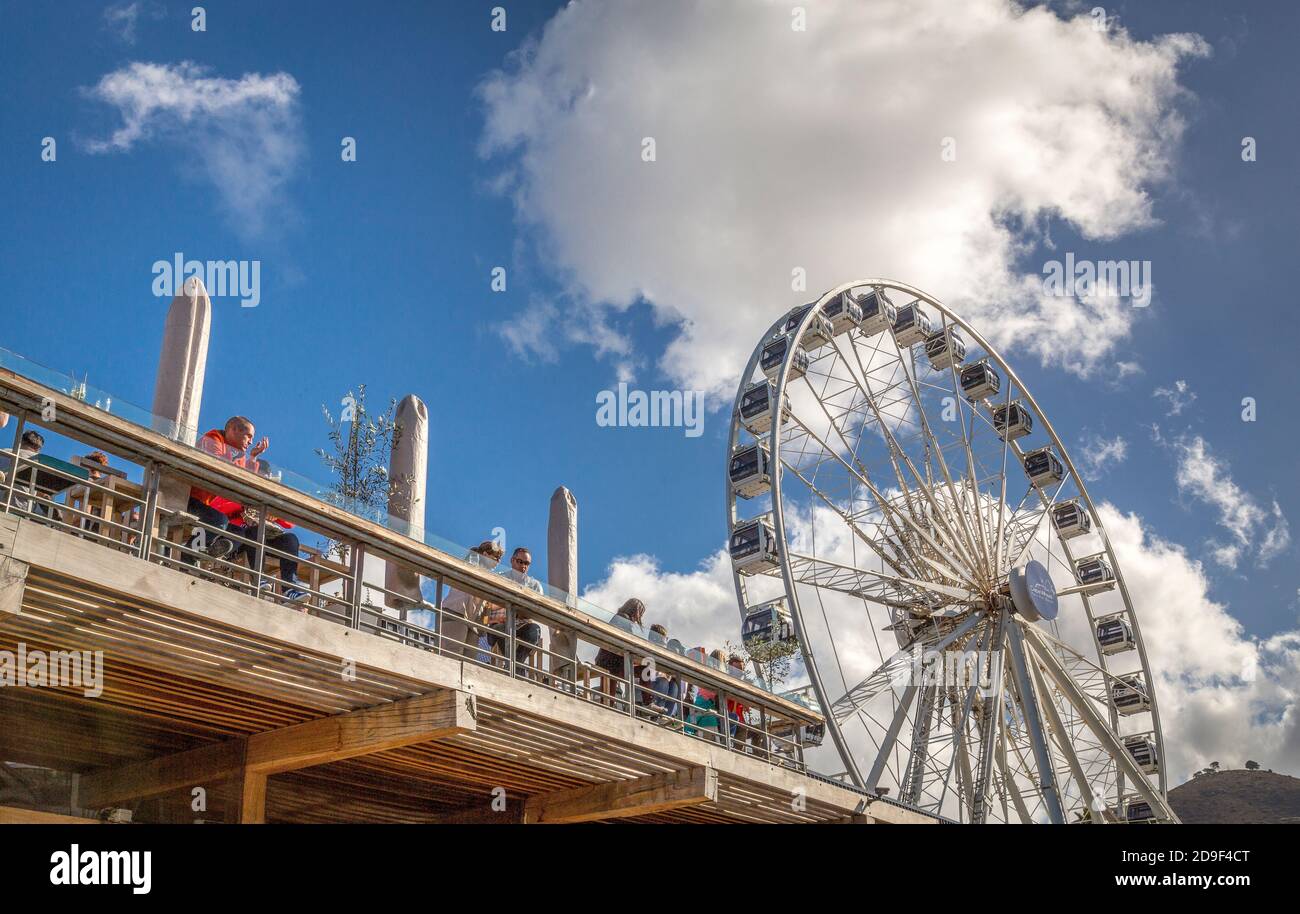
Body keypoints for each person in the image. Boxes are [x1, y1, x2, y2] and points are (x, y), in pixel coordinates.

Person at [439, 540, 505, 658]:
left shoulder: (488, 577)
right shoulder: (472, 562)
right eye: (496, 557)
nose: (498, 561)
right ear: (485, 554)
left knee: (469, 661)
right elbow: (470, 568)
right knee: (452, 655)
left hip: (473, 621)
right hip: (457, 612)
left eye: (500, 559)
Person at [482, 547, 545, 670]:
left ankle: (513, 667)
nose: (523, 566)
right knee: (502, 631)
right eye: (520, 562)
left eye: (527, 563)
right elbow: (489, 603)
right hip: (500, 623)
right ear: (512, 560)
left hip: (522, 624)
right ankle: (516, 668)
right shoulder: (500, 578)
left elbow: (539, 609)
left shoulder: (535, 585)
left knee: (534, 631)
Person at [592, 598, 645, 705]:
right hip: (613, 662)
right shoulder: (623, 619)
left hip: (610, 660)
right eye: (640, 614)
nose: (639, 618)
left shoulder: (619, 617)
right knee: (645, 669)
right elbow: (628, 641)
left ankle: (608, 706)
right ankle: (646, 701)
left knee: (608, 692)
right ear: (635, 611)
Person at [646, 624, 682, 720]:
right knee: (663, 681)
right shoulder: (648, 647)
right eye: (665, 638)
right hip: (649, 682)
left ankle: (666, 716)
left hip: (661, 684)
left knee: (674, 686)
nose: (666, 640)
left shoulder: (667, 651)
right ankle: (656, 712)